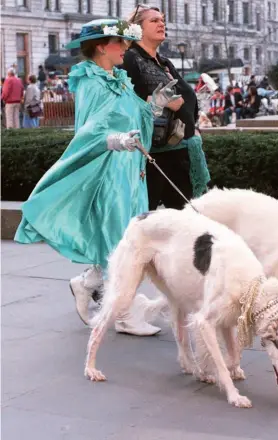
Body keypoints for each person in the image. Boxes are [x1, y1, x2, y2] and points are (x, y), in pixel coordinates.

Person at [14, 18, 177, 336]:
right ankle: (123, 315)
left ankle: (87, 283)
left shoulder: (117, 78)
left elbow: (134, 115)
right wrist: (115, 140)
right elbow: (89, 131)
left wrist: (156, 104)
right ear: (103, 46)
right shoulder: (90, 81)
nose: (126, 49)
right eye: (121, 42)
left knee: (123, 239)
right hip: (108, 172)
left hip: (129, 169)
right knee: (124, 241)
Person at [121, 5, 210, 211]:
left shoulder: (164, 62)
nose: (161, 24)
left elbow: (186, 98)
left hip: (179, 147)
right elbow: (126, 101)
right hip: (152, 153)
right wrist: (162, 100)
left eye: (162, 20)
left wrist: (192, 126)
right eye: (153, 21)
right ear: (137, 29)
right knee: (144, 217)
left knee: (184, 217)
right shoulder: (130, 58)